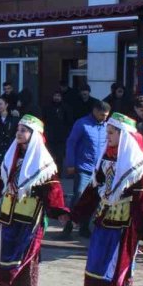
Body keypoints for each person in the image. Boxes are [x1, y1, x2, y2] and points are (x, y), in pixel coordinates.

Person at [0, 115, 69, 286]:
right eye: (18, 129)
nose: (19, 133)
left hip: (31, 215)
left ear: (34, 135)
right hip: (9, 213)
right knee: (8, 252)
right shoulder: (12, 156)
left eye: (24, 130)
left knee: (27, 254)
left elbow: (53, 189)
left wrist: (59, 211)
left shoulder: (43, 161)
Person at [71, 113, 143, 286]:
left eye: (111, 132)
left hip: (126, 225)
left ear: (124, 135)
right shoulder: (107, 157)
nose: (106, 136)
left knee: (120, 268)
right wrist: (77, 214)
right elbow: (93, 190)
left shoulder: (138, 166)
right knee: (100, 265)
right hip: (104, 220)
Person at [62, 101, 110, 238]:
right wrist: (70, 164)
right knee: (78, 196)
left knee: (93, 199)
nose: (104, 118)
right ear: (95, 111)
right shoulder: (82, 123)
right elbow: (71, 143)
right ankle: (68, 226)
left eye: (106, 115)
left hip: (99, 170)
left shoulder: (107, 126)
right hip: (83, 168)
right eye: (102, 115)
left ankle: (84, 227)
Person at [42, 90, 72, 167]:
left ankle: (59, 173)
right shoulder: (47, 107)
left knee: (59, 157)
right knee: (50, 156)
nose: (57, 98)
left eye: (58, 96)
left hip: (61, 137)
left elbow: (69, 121)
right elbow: (44, 120)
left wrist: (66, 133)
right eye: (55, 96)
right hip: (50, 136)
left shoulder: (66, 107)